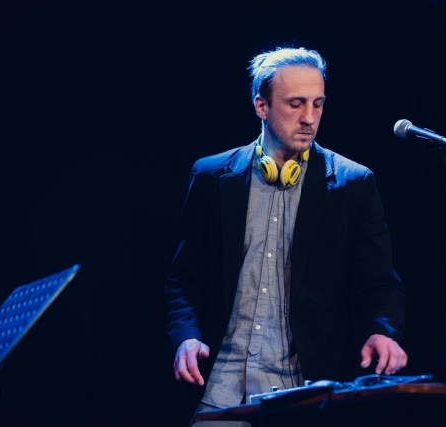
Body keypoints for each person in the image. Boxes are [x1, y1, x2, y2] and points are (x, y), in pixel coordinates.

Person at [164, 45, 408, 426]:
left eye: (318, 104)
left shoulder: (353, 184)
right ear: (261, 106)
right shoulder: (212, 176)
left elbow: (379, 283)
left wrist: (382, 332)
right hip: (219, 392)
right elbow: (184, 277)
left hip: (303, 397)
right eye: (296, 104)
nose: (309, 118)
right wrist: (186, 337)